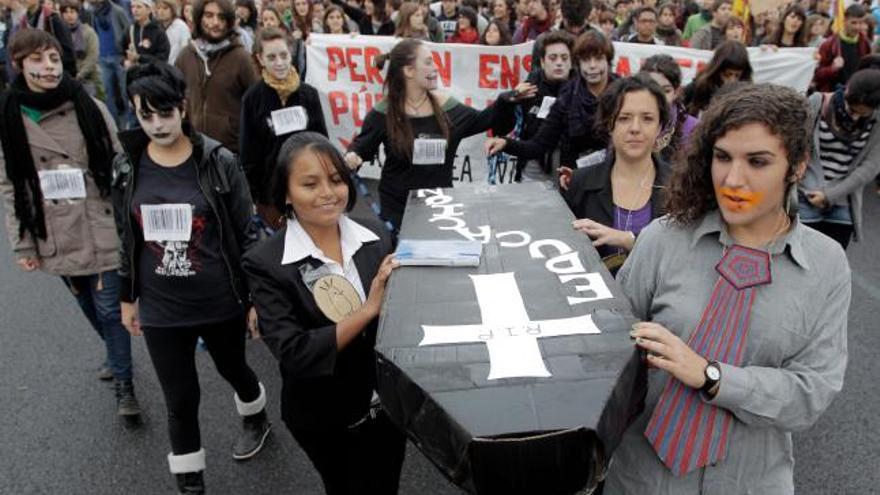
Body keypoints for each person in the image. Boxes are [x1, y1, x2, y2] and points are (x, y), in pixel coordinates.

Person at [604, 82, 850, 495]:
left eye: (758, 161)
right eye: (722, 157)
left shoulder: (826, 265)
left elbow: (812, 392)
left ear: (798, 165)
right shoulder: (662, 239)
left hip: (750, 481)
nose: (733, 179)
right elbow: (609, 353)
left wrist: (712, 376)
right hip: (640, 478)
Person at [113, 62, 272, 494]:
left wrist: (257, 298)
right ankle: (190, 483)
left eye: (165, 112)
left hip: (219, 299)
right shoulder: (126, 166)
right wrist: (127, 296)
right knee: (179, 400)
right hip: (163, 307)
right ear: (134, 112)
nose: (157, 124)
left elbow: (249, 233)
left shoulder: (218, 161)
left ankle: (256, 413)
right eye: (146, 115)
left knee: (233, 368)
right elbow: (126, 235)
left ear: (182, 107)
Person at [242, 132, 405, 495]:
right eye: (310, 184)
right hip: (324, 417)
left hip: (389, 408)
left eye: (335, 180)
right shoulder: (266, 263)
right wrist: (367, 310)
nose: (328, 193)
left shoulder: (376, 235)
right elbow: (294, 351)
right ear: (285, 193)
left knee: (387, 483)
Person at [0, 29, 139, 418]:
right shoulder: (10, 117)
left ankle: (125, 387)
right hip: (52, 226)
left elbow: (121, 162)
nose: (49, 68)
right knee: (85, 302)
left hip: (98, 218)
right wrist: (23, 244)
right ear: (19, 65)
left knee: (111, 308)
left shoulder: (89, 105)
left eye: (54, 59)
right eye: (38, 60)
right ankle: (115, 355)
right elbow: (10, 184)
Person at [344, 38, 525, 230]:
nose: (436, 68)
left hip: (440, 205)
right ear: (409, 71)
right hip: (398, 207)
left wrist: (506, 100)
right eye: (428, 62)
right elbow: (362, 147)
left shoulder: (447, 107)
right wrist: (353, 156)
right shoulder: (384, 112)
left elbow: (485, 120)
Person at [561, 75, 671, 274]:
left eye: (647, 118)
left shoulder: (679, 186)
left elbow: (684, 255)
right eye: (624, 118)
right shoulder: (580, 182)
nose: (635, 128)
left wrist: (629, 240)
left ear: (660, 127)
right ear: (609, 124)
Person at [485, 31, 616, 175]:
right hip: (574, 176)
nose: (592, 66)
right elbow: (538, 144)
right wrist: (505, 143)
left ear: (608, 61)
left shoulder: (623, 94)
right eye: (586, 60)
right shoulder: (565, 99)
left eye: (598, 59)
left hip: (617, 174)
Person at [240, 27, 327, 231]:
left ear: (291, 53)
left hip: (308, 188)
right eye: (271, 57)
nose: (279, 63)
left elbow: (322, 142)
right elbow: (249, 153)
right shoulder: (253, 99)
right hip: (271, 195)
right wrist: (252, 196)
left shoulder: (309, 95)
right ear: (260, 59)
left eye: (283, 55)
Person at [798, 68, 880, 249]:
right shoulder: (817, 103)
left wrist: (830, 195)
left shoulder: (876, 121)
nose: (855, 116)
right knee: (800, 260)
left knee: (832, 265)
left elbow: (871, 167)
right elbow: (796, 143)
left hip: (843, 200)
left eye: (863, 113)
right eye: (852, 109)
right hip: (805, 195)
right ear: (847, 91)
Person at [175, 0, 258, 153]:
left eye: (221, 17)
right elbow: (176, 99)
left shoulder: (241, 58)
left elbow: (256, 104)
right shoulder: (185, 57)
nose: (215, 22)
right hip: (195, 148)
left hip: (231, 151)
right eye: (209, 15)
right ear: (199, 18)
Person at [508, 30, 574, 181]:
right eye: (553, 58)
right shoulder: (529, 88)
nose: (559, 63)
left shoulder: (581, 91)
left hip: (567, 164)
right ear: (543, 62)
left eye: (564, 58)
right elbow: (507, 125)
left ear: (571, 62)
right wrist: (509, 98)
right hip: (534, 164)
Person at [640, 53, 699, 162]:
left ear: (676, 92)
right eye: (652, 89)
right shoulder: (630, 123)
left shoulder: (693, 128)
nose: (659, 97)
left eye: (666, 90)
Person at [681, 40, 752, 116]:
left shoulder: (746, 95)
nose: (732, 80)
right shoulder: (698, 88)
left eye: (737, 75)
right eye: (727, 75)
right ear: (717, 70)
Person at [89, 0, 130, 127]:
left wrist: (125, 52)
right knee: (108, 93)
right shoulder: (94, 12)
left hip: (119, 57)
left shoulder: (118, 11)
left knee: (125, 91)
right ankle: (113, 125)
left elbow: (128, 29)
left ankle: (128, 123)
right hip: (103, 58)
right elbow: (95, 31)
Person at [813, 4, 871, 92]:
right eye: (854, 23)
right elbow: (817, 75)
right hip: (833, 95)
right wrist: (832, 69)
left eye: (861, 23)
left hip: (856, 94)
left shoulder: (865, 42)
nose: (857, 27)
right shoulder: (829, 44)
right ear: (845, 21)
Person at [59, 0, 103, 97]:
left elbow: (93, 56)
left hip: (88, 78)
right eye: (65, 12)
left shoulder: (88, 32)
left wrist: (80, 74)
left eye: (72, 12)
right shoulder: (60, 33)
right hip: (67, 78)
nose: (69, 15)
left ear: (77, 13)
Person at [123, 0, 171, 68]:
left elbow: (162, 58)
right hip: (135, 75)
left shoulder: (158, 32)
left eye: (139, 7)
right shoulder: (130, 30)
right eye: (132, 7)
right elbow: (120, 50)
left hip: (154, 75)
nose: (135, 10)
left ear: (149, 10)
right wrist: (124, 61)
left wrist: (140, 58)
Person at [330, 0, 395, 35]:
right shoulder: (363, 18)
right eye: (365, 1)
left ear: (378, 5)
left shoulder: (389, 24)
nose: (366, 4)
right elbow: (346, 8)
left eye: (369, 2)